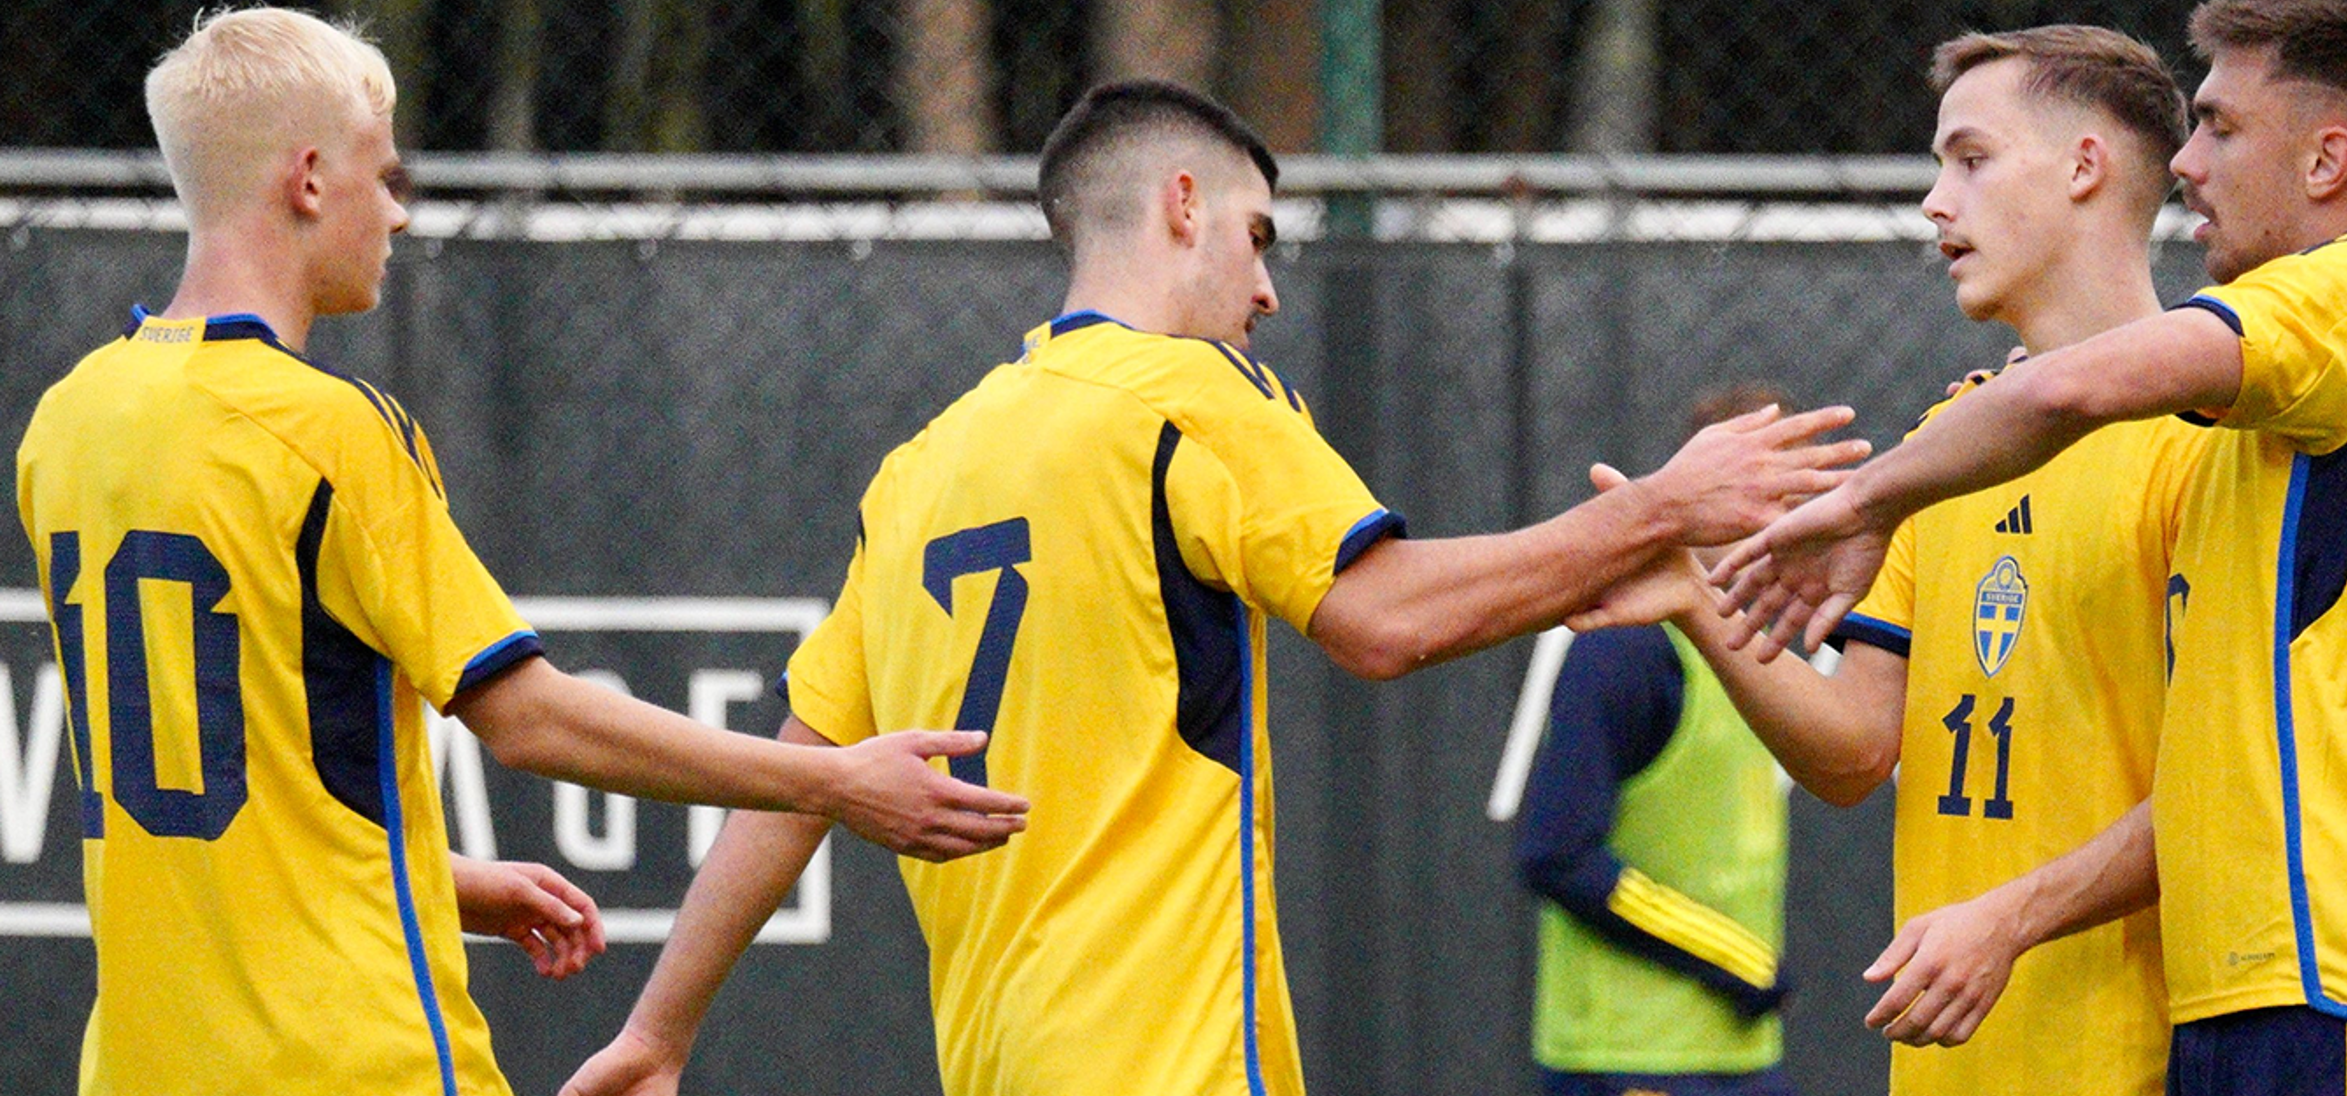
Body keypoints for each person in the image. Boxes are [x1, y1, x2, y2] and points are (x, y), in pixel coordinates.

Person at [563, 80, 1867, 1096]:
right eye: (1257, 237)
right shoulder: (1189, 392)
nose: (1266, 288)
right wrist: (1655, 510)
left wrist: (660, 1029)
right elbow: (1383, 618)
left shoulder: (921, 468)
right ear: (1182, 205)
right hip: (1166, 1065)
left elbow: (797, 775)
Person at [13, 10, 1028, 1095]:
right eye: (384, 177)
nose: (397, 212)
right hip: (352, 1060)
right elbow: (529, 718)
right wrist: (835, 779)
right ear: (308, 179)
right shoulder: (328, 433)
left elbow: (221, 777)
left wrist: (437, 878)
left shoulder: (69, 423)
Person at [1713, 1, 2347, 1092]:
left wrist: (1866, 500)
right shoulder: (2342, 375)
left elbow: (2066, 389)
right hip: (2278, 984)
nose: (2189, 161)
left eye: (2221, 127)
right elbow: (1859, 742)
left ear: (2327, 159)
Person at [1585, 26, 2203, 1093]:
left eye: (1970, 159)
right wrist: (1693, 596)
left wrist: (2008, 920)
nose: (1933, 202)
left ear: (2084, 168)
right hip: (1948, 1066)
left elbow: (2228, 789)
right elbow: (1855, 753)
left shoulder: (2205, 441)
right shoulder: (1944, 446)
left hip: (2138, 1061)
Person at [1515, 386, 1800, 1096]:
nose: (1786, 514)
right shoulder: (1629, 648)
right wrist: (1733, 960)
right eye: (1761, 490)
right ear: (1699, 495)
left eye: (1798, 490)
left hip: (1740, 1058)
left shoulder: (1752, 640)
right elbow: (1558, 853)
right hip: (1630, 1062)